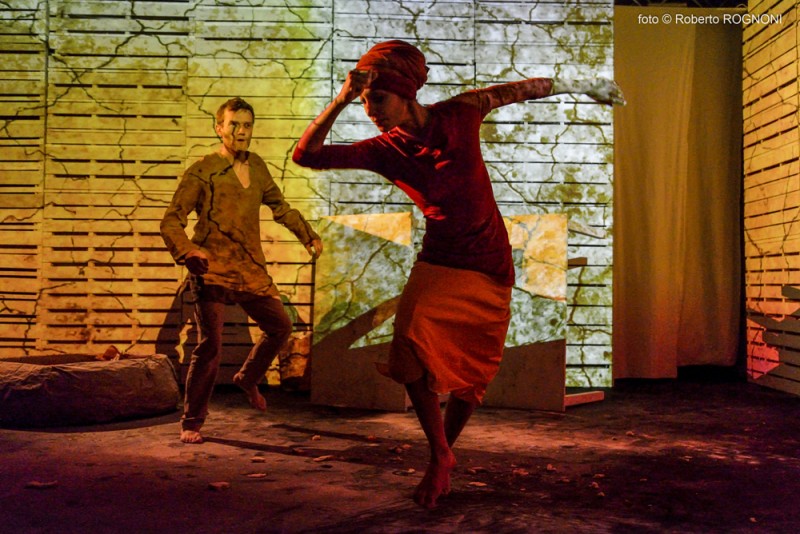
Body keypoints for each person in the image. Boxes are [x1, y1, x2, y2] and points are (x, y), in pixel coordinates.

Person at [293, 40, 624, 508]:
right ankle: (440, 454)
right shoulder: (383, 150)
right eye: (364, 102)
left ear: (406, 94)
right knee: (408, 351)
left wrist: (588, 84)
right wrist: (342, 98)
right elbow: (306, 156)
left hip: (490, 264)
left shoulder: (461, 113)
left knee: (474, 374)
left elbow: (523, 89)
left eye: (377, 99)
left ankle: (441, 456)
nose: (370, 111)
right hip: (440, 261)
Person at [161, 97, 323, 444]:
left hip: (249, 267)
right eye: (233, 125)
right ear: (219, 128)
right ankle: (192, 421)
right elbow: (171, 220)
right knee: (210, 346)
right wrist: (188, 251)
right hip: (212, 268)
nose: (241, 132)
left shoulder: (259, 167)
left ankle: (247, 378)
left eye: (246, 126)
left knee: (280, 326)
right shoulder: (203, 170)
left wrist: (308, 235)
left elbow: (281, 208)